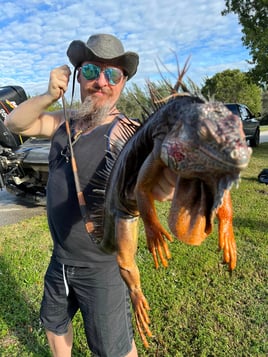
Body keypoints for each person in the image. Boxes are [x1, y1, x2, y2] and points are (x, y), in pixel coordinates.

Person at [5, 33, 175, 357]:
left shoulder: (130, 135)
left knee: (115, 349)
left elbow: (156, 179)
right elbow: (15, 122)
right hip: (61, 260)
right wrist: (46, 95)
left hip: (103, 267)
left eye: (112, 74)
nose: (101, 82)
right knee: (54, 322)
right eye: (91, 72)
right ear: (77, 76)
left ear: (123, 82)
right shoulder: (63, 121)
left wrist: (162, 183)